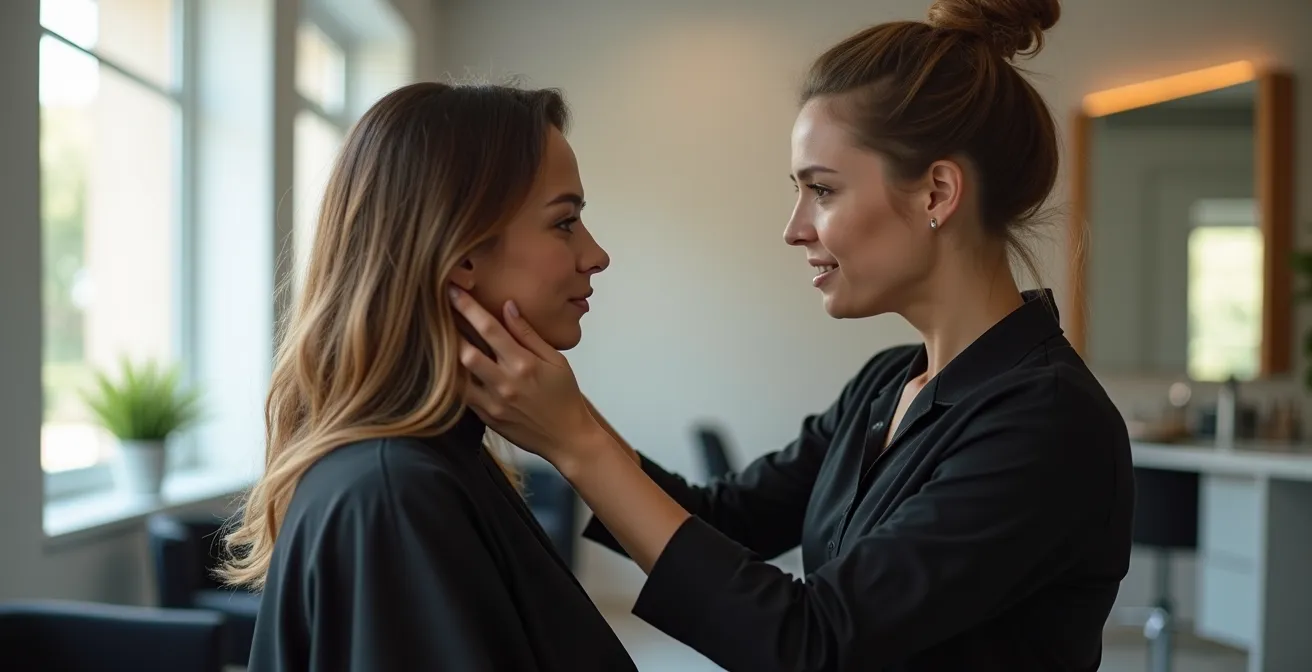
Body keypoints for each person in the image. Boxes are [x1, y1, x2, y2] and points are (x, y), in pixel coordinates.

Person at [448, 0, 1134, 670]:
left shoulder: (1049, 422)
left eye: (823, 190)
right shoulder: (887, 382)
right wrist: (558, 416)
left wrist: (575, 441)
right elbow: (726, 517)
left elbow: (816, 643)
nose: (794, 227)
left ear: (936, 194)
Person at [219, 81, 637, 671]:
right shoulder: (395, 493)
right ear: (462, 252)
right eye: (565, 222)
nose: (596, 254)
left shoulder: (436, 463)